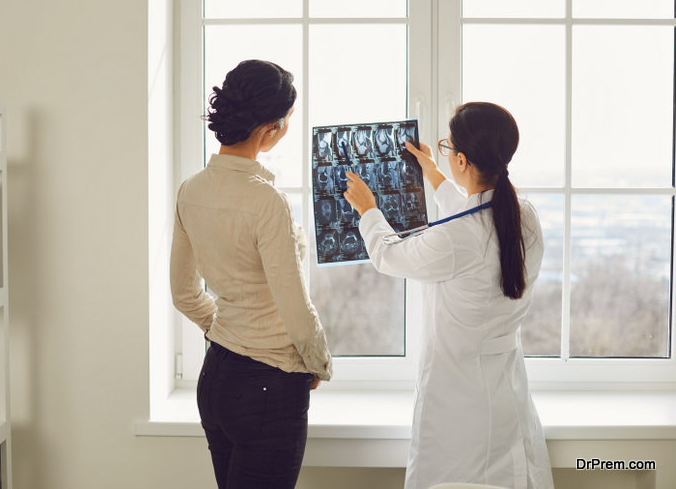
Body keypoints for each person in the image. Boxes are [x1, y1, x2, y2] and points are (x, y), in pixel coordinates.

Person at [343, 102, 554, 489]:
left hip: (460, 405)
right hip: (505, 390)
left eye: (446, 147)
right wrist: (435, 175)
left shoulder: (458, 238)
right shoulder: (523, 215)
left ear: (462, 159)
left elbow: (389, 255)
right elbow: (473, 217)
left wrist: (369, 210)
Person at [170, 59, 333, 489]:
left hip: (216, 378)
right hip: (269, 386)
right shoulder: (267, 202)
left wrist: (225, 329)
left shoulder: (190, 190)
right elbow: (295, 308)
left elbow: (184, 294)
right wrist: (318, 363)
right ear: (270, 129)